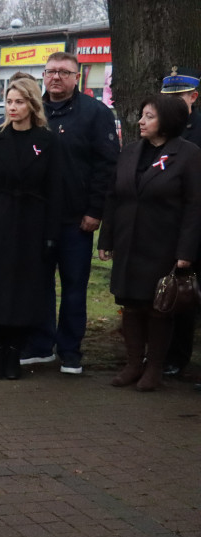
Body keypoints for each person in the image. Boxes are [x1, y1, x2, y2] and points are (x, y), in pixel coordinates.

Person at [21, 51, 119, 374]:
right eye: (50, 72)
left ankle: (71, 351)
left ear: (77, 77)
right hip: (37, 218)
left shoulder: (94, 113)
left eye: (64, 72)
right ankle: (40, 345)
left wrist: (95, 210)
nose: (56, 78)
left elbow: (107, 166)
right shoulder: (34, 112)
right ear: (43, 76)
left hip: (77, 220)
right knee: (38, 285)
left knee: (75, 287)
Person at [98, 94, 201, 391]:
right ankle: (133, 364)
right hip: (129, 242)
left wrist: (185, 252)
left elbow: (195, 206)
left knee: (158, 307)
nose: (141, 121)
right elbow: (114, 197)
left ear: (167, 121)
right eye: (142, 115)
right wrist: (106, 237)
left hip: (163, 245)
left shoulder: (189, 154)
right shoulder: (130, 152)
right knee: (129, 304)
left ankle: (154, 367)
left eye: (149, 116)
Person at [0, 78, 63, 380]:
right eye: (9, 102)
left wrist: (50, 235)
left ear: (32, 104)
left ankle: (15, 351)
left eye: (19, 102)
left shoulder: (47, 141)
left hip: (32, 224)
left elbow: (55, 190)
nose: (12, 107)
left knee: (24, 291)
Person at [158, 67, 201, 377]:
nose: (171, 104)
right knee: (166, 292)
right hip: (164, 222)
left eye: (178, 98)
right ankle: (165, 354)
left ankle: (182, 357)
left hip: (194, 221)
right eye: (166, 98)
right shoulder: (159, 130)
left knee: (189, 292)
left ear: (193, 98)